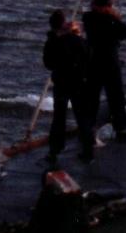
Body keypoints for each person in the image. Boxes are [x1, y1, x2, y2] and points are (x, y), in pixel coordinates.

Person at [43, 9, 93, 163]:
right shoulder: (75, 39)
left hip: (61, 83)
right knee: (82, 117)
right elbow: (88, 55)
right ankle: (88, 151)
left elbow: (48, 63)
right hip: (77, 83)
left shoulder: (52, 42)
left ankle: (54, 151)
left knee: (59, 118)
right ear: (64, 24)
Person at [82, 0, 126, 139]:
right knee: (116, 97)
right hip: (110, 63)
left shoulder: (88, 18)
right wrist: (114, 17)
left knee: (92, 98)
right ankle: (121, 128)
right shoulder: (109, 21)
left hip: (93, 63)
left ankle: (88, 128)